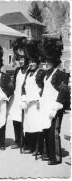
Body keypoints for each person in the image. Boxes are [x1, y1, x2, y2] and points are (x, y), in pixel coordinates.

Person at [39, 37, 70, 165]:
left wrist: (55, 108)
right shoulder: (47, 74)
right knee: (46, 131)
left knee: (54, 133)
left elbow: (64, 92)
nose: (48, 64)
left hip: (55, 109)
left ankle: (56, 157)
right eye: (47, 62)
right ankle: (49, 154)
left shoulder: (60, 74)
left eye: (50, 62)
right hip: (46, 108)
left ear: (55, 62)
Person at [20, 40, 46, 155]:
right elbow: (23, 87)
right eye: (29, 62)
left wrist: (36, 99)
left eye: (33, 62)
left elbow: (43, 89)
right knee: (29, 125)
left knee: (37, 126)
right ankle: (30, 146)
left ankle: (39, 148)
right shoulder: (27, 73)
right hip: (28, 105)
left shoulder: (41, 72)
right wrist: (24, 98)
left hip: (36, 104)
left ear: (37, 62)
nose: (30, 64)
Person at [7, 37, 29, 149]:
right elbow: (14, 84)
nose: (21, 61)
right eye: (19, 59)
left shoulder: (30, 71)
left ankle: (27, 142)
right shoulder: (17, 71)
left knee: (26, 120)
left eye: (23, 59)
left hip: (25, 98)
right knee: (16, 119)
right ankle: (18, 140)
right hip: (16, 97)